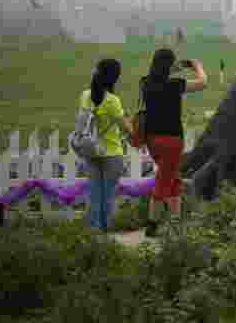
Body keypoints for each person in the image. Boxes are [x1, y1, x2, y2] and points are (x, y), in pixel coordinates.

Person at [141, 48, 206, 236]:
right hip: (171, 140)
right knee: (163, 181)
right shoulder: (175, 85)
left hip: (152, 140)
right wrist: (197, 67)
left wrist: (173, 67)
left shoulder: (145, 83)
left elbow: (159, 74)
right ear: (169, 66)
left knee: (173, 178)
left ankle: (176, 221)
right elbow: (203, 83)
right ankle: (152, 225)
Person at [80, 59, 134, 231]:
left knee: (94, 194)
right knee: (108, 195)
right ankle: (106, 230)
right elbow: (126, 129)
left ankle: (93, 230)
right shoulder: (113, 100)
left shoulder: (85, 96)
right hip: (111, 154)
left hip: (90, 150)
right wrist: (128, 119)